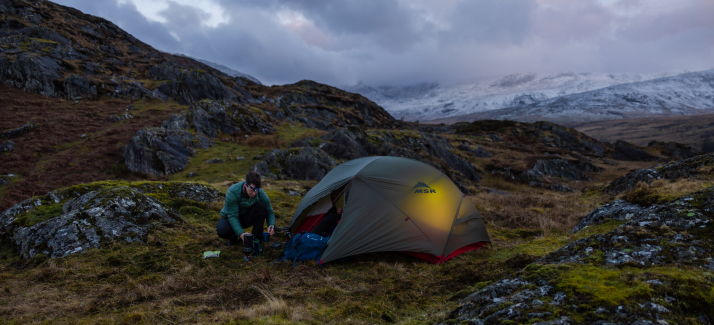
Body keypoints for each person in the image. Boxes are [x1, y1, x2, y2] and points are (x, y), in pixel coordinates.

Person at [216, 170, 276, 246]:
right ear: (246, 185)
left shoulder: (260, 193)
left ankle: (256, 239)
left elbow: (269, 211)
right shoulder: (233, 192)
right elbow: (233, 217)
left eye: (256, 191)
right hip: (230, 217)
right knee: (222, 230)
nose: (254, 193)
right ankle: (233, 236)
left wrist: (271, 225)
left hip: (246, 217)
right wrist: (241, 233)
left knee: (261, 206)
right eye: (252, 190)